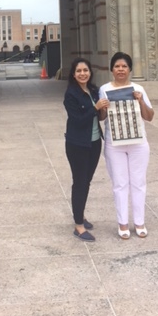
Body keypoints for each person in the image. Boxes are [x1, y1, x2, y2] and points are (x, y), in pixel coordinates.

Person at [99, 51, 154, 239]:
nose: (120, 69)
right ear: (112, 69)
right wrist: (100, 107)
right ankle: (122, 223)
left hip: (138, 142)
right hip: (115, 143)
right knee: (120, 183)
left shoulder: (138, 88)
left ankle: (139, 222)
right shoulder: (104, 89)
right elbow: (101, 118)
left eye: (124, 66)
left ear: (129, 69)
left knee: (138, 182)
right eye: (117, 66)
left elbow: (149, 116)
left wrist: (140, 101)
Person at [63, 57, 109, 242]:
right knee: (79, 182)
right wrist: (95, 107)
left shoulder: (93, 90)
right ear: (73, 74)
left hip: (95, 142)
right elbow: (78, 120)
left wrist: (102, 110)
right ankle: (78, 226)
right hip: (77, 144)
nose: (83, 74)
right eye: (79, 71)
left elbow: (99, 116)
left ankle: (80, 214)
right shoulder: (71, 94)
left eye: (86, 70)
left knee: (87, 181)